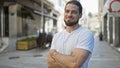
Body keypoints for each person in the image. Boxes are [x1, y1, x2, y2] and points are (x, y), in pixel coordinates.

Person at [47, 0, 94, 68]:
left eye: (74, 12)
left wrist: (54, 54)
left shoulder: (86, 34)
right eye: (67, 11)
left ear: (80, 15)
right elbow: (50, 64)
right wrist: (68, 61)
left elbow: (74, 64)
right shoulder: (57, 36)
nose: (69, 15)